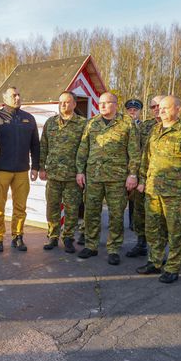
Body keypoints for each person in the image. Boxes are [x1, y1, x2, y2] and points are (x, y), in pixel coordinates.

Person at [136, 95, 181, 284]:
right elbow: (146, 158)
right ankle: (154, 262)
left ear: (177, 109)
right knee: (153, 229)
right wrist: (142, 179)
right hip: (153, 189)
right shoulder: (154, 130)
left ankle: (172, 267)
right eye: (160, 108)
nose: (161, 111)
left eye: (166, 108)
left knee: (175, 231)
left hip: (176, 192)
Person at [76, 92, 140, 265]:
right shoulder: (92, 123)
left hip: (117, 178)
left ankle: (113, 248)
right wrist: (80, 171)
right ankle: (91, 245)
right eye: (100, 103)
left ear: (115, 104)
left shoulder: (127, 123)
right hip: (94, 176)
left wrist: (132, 174)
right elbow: (83, 148)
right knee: (91, 212)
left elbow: (134, 152)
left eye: (106, 103)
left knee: (116, 214)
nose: (102, 106)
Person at [0, 87, 40, 252]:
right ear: (5, 98)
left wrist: (36, 167)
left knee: (20, 206)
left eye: (19, 94)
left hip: (22, 170)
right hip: (0, 170)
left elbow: (35, 145)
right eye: (13, 95)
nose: (17, 98)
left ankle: (18, 236)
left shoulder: (28, 118)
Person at [39, 91, 86, 254]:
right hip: (53, 174)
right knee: (52, 207)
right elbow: (43, 146)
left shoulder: (82, 124)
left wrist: (82, 171)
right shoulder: (50, 123)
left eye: (67, 102)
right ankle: (53, 236)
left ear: (74, 104)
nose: (63, 105)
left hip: (73, 175)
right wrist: (41, 168)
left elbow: (86, 149)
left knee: (72, 208)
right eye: (61, 102)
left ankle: (68, 237)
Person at [126, 95, 165, 258]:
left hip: (168, 181)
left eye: (159, 106)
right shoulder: (145, 126)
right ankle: (141, 243)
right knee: (140, 213)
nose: (156, 109)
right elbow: (135, 150)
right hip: (144, 178)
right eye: (153, 107)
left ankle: (164, 252)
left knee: (164, 219)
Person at [124, 98, 143, 231]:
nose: (132, 112)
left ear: (140, 112)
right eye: (130, 110)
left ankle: (133, 222)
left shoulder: (144, 127)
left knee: (134, 198)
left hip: (137, 167)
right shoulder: (121, 126)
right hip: (120, 167)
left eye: (135, 110)